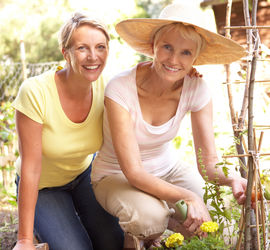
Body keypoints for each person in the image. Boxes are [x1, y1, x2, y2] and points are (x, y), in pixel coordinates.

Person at [91, 3, 247, 248]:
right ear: (153, 46)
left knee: (217, 225)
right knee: (150, 220)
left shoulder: (197, 89)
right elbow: (133, 172)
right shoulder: (120, 88)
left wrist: (233, 180)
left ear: (196, 58)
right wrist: (187, 196)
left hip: (168, 169)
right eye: (167, 47)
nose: (174, 59)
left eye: (186, 52)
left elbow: (207, 163)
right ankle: (140, 234)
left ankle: (167, 221)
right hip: (116, 175)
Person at [12, 12, 123, 250]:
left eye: (100, 47)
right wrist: (24, 240)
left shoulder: (110, 87)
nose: (93, 57)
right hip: (42, 186)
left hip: (84, 175)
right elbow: (31, 168)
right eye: (82, 48)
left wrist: (184, 76)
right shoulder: (35, 92)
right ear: (66, 53)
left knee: (113, 242)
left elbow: (148, 83)